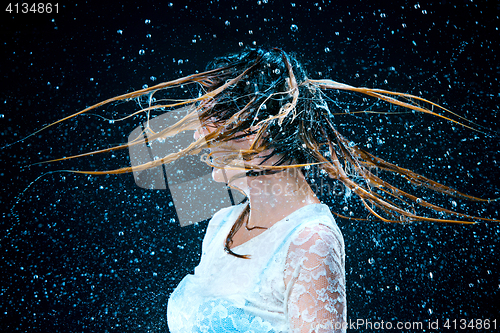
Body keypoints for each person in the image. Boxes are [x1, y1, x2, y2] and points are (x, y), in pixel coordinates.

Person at [31, 47, 498, 332]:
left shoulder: (310, 242)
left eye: (209, 121)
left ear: (257, 132)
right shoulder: (219, 225)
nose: (195, 138)